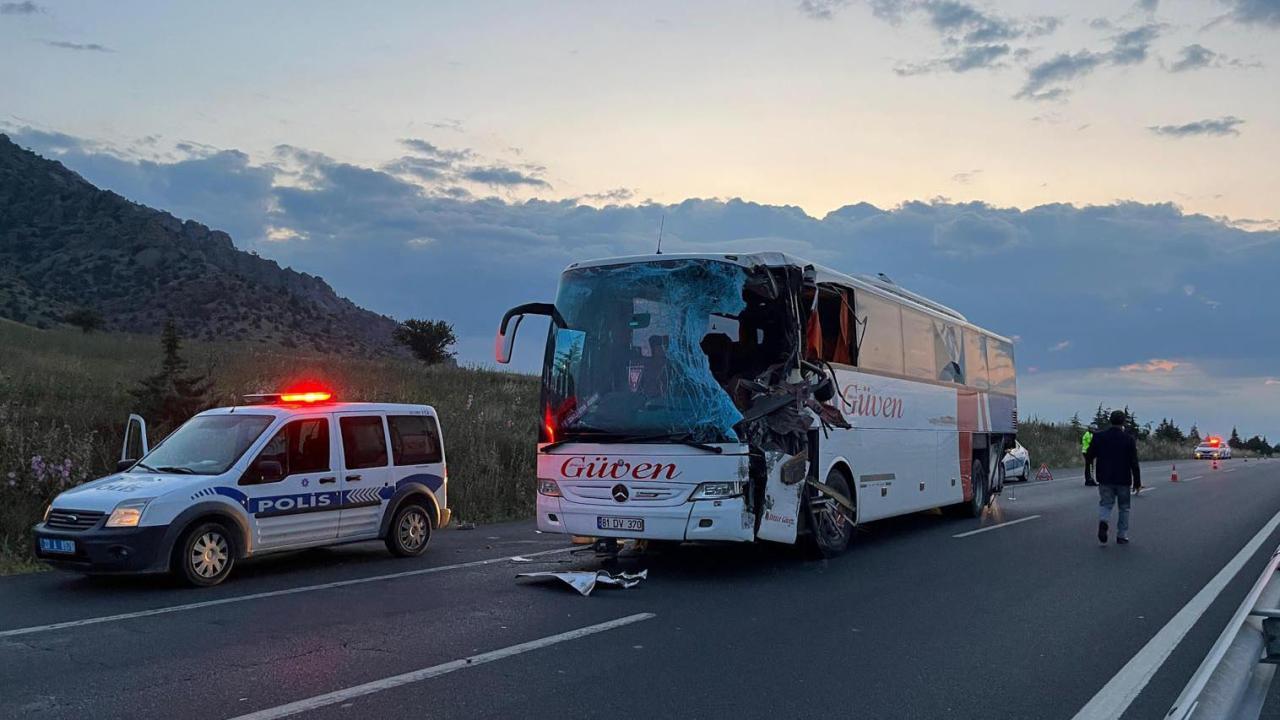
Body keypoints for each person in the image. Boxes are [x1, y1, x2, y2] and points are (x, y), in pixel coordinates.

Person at [1085, 410, 1142, 545]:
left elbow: (1089, 456)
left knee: (1105, 504)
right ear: (1123, 422)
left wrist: (1093, 465)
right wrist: (1137, 482)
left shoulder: (1099, 437)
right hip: (1123, 479)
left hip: (1104, 477)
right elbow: (1134, 462)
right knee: (1124, 507)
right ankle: (1121, 535)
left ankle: (1103, 522)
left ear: (1110, 420)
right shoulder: (1128, 439)